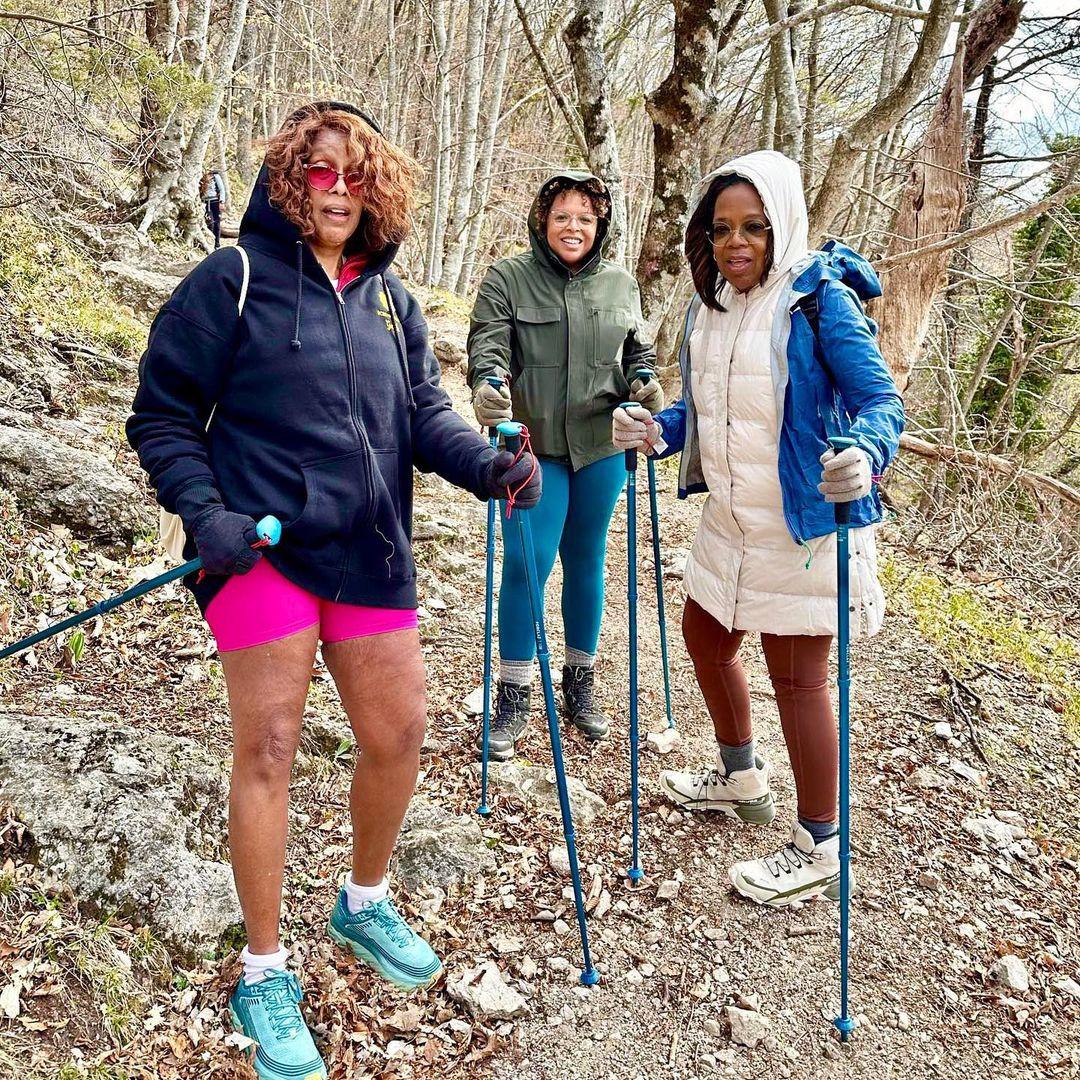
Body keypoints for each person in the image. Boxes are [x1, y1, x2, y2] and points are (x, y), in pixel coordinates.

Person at [128, 102, 540, 1080]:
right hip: (256, 551)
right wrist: (204, 511)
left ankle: (363, 901)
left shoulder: (392, 305)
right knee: (268, 744)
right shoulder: (228, 283)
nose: (340, 188)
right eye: (320, 171)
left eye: (356, 173)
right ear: (288, 179)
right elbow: (162, 415)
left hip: (371, 549)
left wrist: (487, 467)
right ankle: (263, 969)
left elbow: (423, 420)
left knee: (400, 728)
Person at [612, 150, 904, 907]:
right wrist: (658, 430)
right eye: (721, 229)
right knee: (705, 640)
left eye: (754, 227)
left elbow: (881, 403)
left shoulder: (818, 301)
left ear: (783, 226)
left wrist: (865, 455)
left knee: (798, 679)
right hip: (730, 520)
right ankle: (741, 777)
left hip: (804, 527)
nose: (736, 243)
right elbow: (707, 411)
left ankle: (820, 843)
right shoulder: (710, 308)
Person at [467, 171, 661, 761]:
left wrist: (645, 382)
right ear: (542, 220)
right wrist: (488, 383)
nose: (572, 227)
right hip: (534, 445)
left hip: (601, 446)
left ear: (599, 224)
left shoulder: (621, 285)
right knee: (528, 563)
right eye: (561, 216)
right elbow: (488, 344)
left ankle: (580, 681)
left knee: (587, 561)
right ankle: (514, 691)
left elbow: (637, 351)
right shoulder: (509, 278)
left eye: (585, 217)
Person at [202, 168, 229, 249]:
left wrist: (222, 202)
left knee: (216, 223)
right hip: (205, 202)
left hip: (215, 201)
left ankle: (217, 244)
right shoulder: (200, 175)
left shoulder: (215, 176)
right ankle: (210, 243)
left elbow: (221, 189)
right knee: (210, 223)